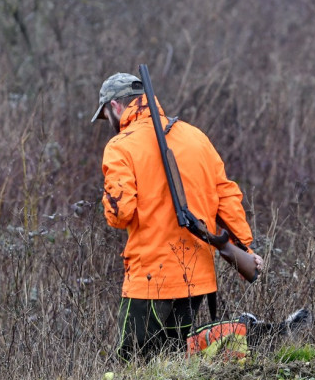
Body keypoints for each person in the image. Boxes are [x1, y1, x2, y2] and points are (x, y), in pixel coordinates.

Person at [91, 72, 264, 361]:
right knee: (175, 363)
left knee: (134, 364)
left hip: (149, 278)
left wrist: (107, 197)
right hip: (197, 278)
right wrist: (244, 246)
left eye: (106, 114)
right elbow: (226, 195)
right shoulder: (195, 136)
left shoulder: (120, 146)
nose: (108, 123)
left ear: (116, 107)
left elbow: (120, 214)